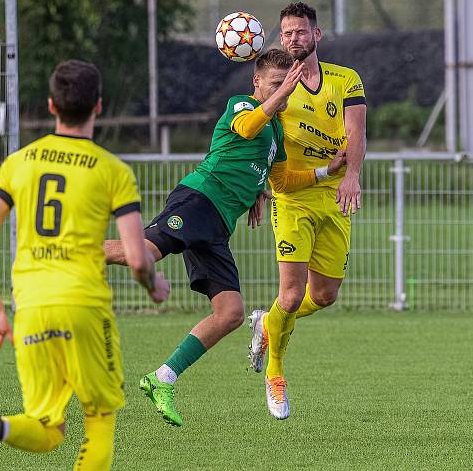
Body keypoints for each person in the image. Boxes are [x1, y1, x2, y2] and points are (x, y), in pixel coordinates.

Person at [103, 48, 345, 427]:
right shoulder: (241, 106)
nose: (286, 91)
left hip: (218, 224)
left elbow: (282, 180)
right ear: (257, 83)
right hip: (199, 199)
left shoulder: (277, 132)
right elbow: (247, 128)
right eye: (278, 84)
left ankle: (162, 378)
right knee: (145, 253)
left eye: (290, 86)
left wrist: (320, 172)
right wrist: (282, 97)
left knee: (231, 313)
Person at [0, 59, 170, 471]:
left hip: (32, 308)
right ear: (100, 106)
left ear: (52, 106)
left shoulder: (20, 162)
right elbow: (136, 254)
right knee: (100, 417)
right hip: (84, 306)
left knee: (48, 427)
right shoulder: (113, 170)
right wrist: (153, 284)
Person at [247, 2, 367, 420]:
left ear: (316, 35)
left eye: (300, 32)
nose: (293, 38)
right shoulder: (277, 88)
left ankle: (267, 324)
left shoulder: (344, 79)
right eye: (286, 33)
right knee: (293, 293)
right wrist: (256, 188)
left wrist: (351, 174)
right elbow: (255, 136)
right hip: (293, 198)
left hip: (334, 196)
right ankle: (276, 375)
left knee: (325, 295)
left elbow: (356, 130)